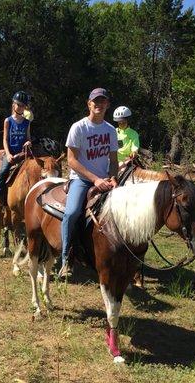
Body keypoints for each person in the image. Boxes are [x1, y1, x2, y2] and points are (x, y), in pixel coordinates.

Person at [59, 88, 119, 278]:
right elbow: (71, 160)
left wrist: (114, 178)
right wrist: (95, 179)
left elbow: (114, 160)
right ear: (89, 104)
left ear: (107, 105)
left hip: (105, 180)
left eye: (103, 102)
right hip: (82, 180)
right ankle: (66, 259)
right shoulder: (78, 128)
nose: (99, 105)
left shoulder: (110, 130)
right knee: (71, 213)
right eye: (95, 101)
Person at [0, 91, 32, 214]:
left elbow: (28, 137)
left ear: (25, 107)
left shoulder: (26, 122)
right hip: (11, 154)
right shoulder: (8, 121)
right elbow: (4, 139)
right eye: (17, 104)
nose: (19, 107)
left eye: (22, 105)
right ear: (13, 104)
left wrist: (29, 143)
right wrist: (8, 154)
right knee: (3, 172)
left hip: (23, 154)